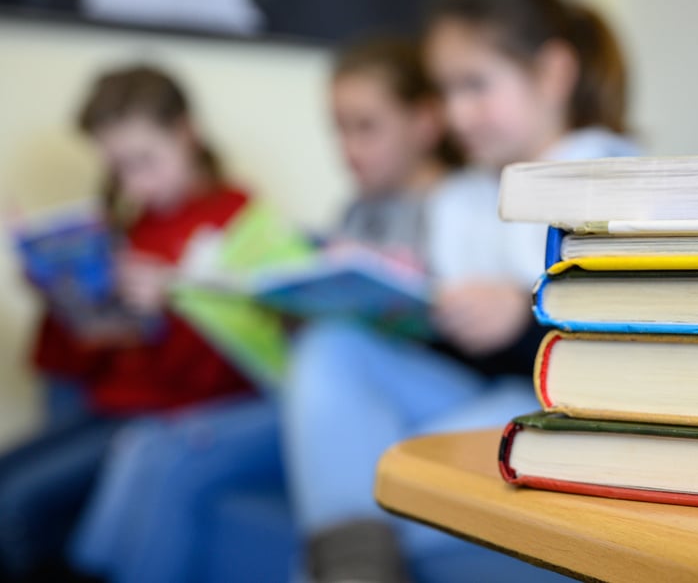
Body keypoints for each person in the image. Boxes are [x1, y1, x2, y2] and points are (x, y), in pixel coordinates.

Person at [284, 0, 639, 583]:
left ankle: (347, 557)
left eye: (476, 86)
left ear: (553, 73)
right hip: (478, 391)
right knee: (331, 346)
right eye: (446, 91)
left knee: (366, 484)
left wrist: (524, 314)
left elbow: (637, 349)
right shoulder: (458, 199)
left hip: (566, 407)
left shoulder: (612, 177)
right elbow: (453, 345)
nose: (457, 113)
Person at [68, 36, 462, 583]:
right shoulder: (356, 211)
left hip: (392, 385)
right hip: (318, 382)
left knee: (170, 445)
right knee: (149, 444)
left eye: (365, 126)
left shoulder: (459, 209)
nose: (346, 147)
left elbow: (458, 325)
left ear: (425, 122)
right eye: (338, 128)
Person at [0, 65, 254, 582]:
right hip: (110, 406)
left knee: (15, 506)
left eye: (145, 161)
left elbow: (238, 368)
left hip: (174, 417)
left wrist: (178, 301)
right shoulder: (130, 224)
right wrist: (60, 293)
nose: (135, 182)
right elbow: (85, 360)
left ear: (187, 132)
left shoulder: (239, 222)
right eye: (120, 169)